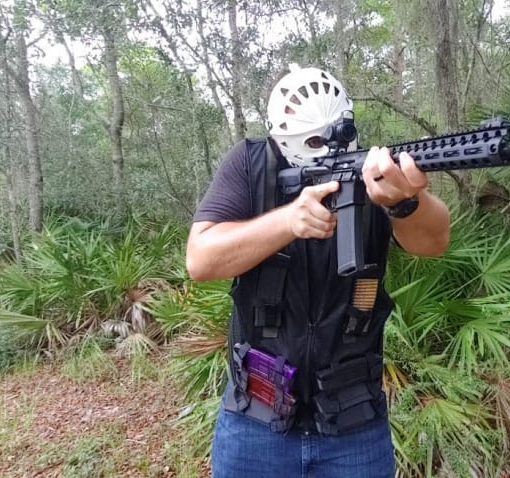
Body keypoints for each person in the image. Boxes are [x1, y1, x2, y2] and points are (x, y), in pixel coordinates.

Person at [186, 64, 451, 478]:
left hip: (353, 423)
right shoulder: (250, 164)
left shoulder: (377, 170)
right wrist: (288, 221)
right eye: (311, 141)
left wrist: (404, 201)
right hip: (255, 418)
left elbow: (433, 242)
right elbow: (200, 259)